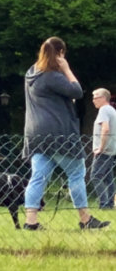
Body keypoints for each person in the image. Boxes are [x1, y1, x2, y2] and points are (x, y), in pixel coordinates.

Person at [21, 37, 109, 231]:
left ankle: (31, 221)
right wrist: (67, 68)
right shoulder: (52, 76)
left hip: (35, 134)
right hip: (59, 133)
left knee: (38, 177)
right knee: (77, 173)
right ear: (60, 53)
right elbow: (77, 91)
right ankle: (85, 219)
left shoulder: (31, 73)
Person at [90, 87, 116, 211]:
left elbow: (105, 129)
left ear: (104, 98)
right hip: (111, 149)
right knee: (108, 178)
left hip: (104, 150)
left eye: (96, 97)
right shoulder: (112, 110)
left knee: (95, 176)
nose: (93, 100)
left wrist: (100, 148)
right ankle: (110, 203)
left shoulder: (104, 110)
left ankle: (104, 204)